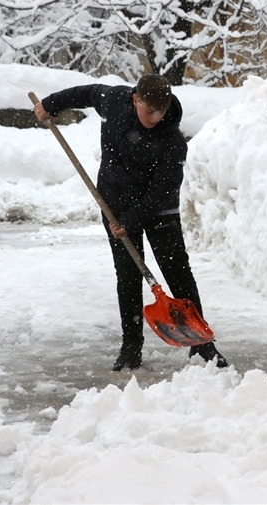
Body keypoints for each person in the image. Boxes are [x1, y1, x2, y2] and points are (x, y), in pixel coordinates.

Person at [34, 74, 226, 371]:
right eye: (150, 110)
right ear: (135, 99)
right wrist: (51, 104)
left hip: (158, 211)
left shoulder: (173, 140)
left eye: (161, 111)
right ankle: (131, 347)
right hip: (115, 204)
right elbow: (87, 93)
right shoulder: (114, 101)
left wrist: (132, 219)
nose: (156, 117)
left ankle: (202, 346)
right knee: (127, 276)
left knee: (178, 272)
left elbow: (162, 192)